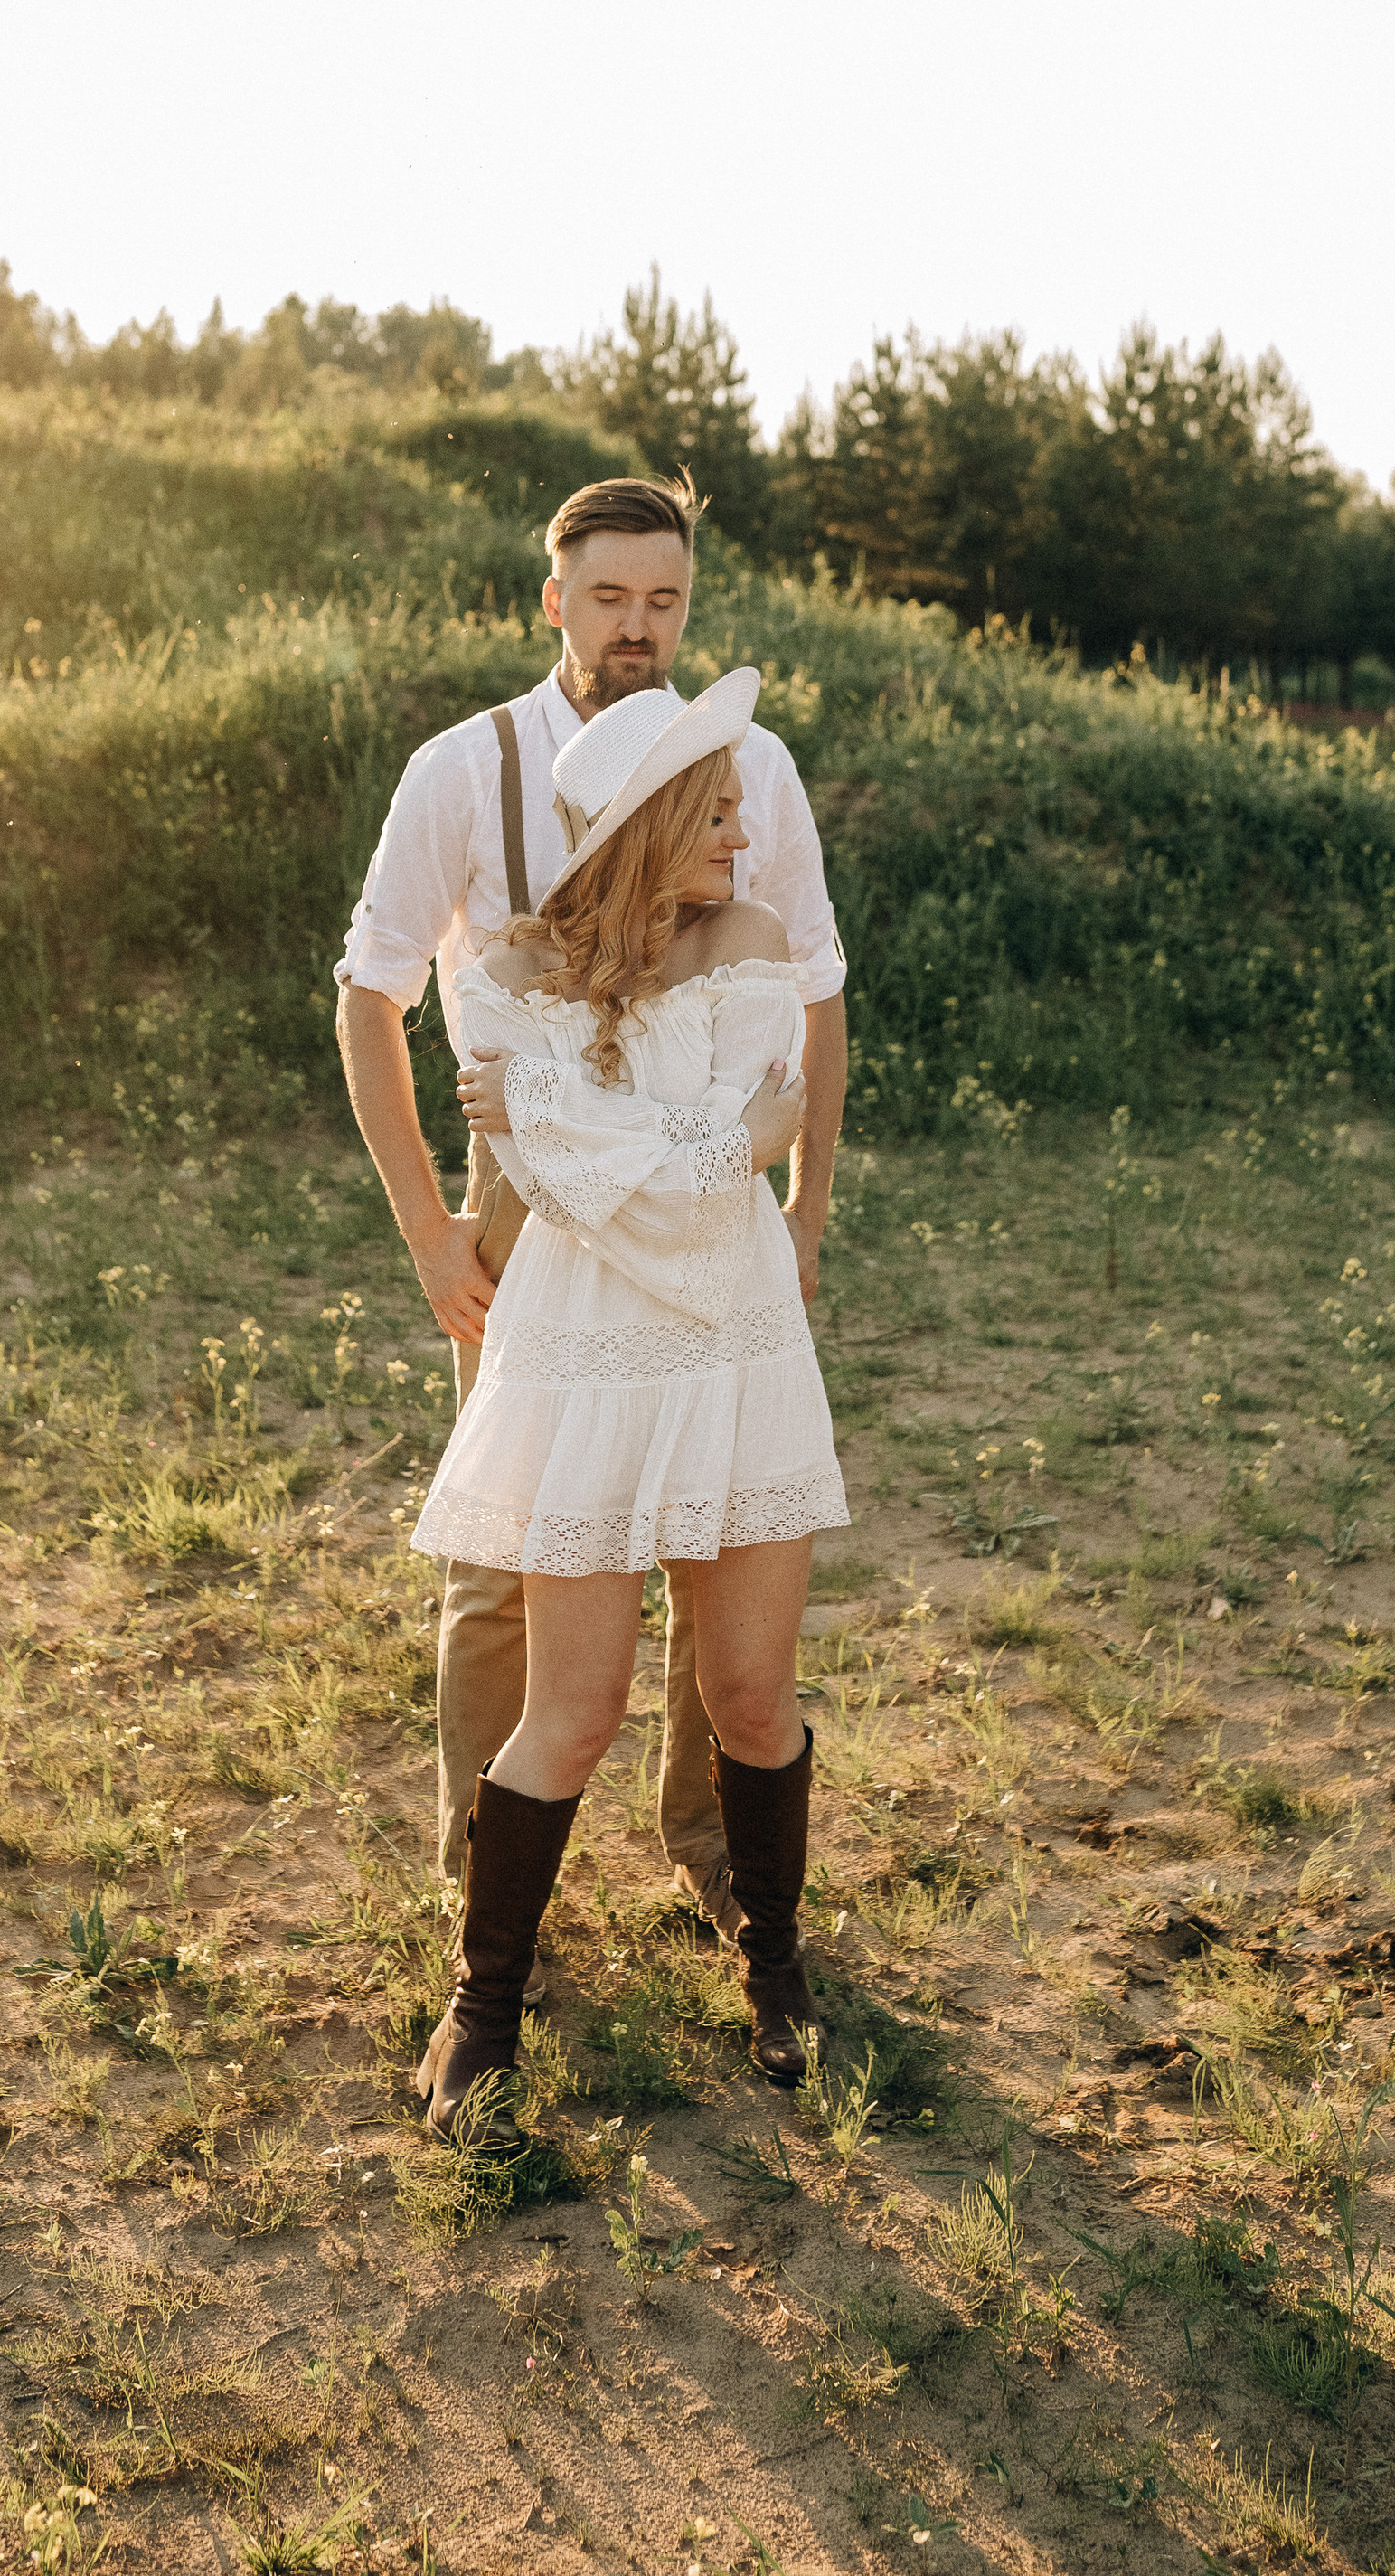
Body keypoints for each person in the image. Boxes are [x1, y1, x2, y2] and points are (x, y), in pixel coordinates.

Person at [334, 474, 848, 1931]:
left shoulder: (755, 770)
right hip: (529, 1200)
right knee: (518, 1562)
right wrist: (432, 1227)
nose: (639, 626)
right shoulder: (463, 768)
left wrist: (806, 1211)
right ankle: (487, 1890)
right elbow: (369, 991)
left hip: (717, 1191)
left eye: (666, 600)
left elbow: (815, 995)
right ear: (554, 597)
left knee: (715, 1527)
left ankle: (720, 1863)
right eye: (610, 597)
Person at [407, 666, 847, 2132]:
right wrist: (714, 1136)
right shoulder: (507, 982)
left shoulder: (756, 944)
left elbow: (617, 1185)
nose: (745, 831)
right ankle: (482, 2006)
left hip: (732, 1352)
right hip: (580, 1363)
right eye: (718, 810)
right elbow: (623, 1192)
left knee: (747, 1694)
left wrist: (573, 1122)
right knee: (574, 1707)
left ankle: (775, 1967)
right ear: (650, 821)